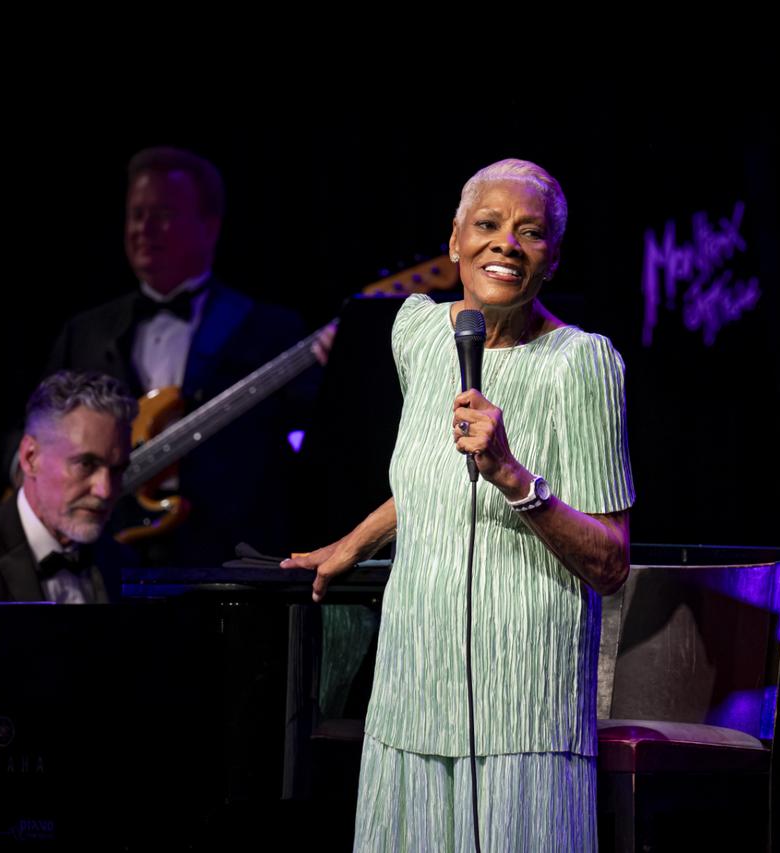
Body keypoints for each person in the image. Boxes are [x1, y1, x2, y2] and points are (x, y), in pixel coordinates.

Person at [284, 159, 634, 850]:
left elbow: (612, 560)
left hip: (522, 709)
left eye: (530, 232)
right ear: (454, 241)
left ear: (553, 258)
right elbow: (433, 477)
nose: (506, 242)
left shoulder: (583, 364)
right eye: (489, 224)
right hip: (409, 691)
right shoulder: (416, 334)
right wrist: (359, 539)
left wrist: (513, 476)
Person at [45, 146, 326, 566]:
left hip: (226, 555)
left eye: (163, 214)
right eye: (136, 213)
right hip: (101, 550)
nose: (144, 228)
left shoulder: (269, 328)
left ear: (210, 226)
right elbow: (30, 428)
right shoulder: (84, 331)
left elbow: (314, 445)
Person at [0, 371, 136, 603]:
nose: (106, 490)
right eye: (85, 464)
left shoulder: (124, 564)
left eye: (118, 469)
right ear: (30, 458)